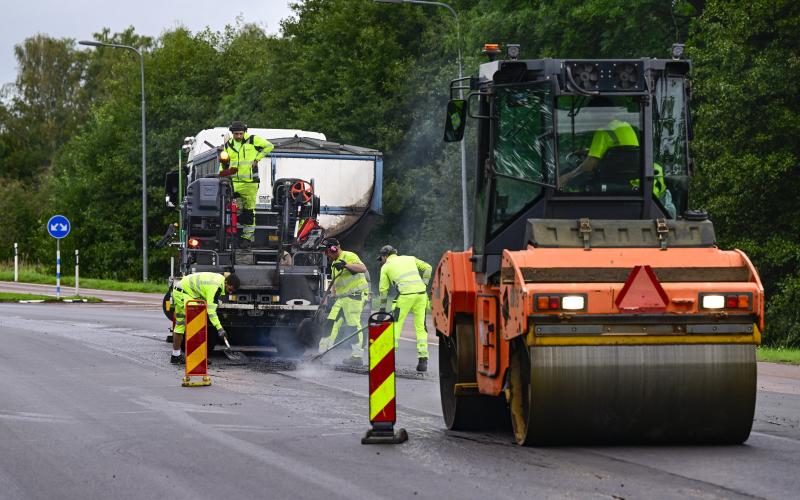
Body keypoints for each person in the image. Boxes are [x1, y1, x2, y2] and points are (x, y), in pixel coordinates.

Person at [560, 97, 676, 217]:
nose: (591, 117)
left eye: (592, 113)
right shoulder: (627, 127)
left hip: (606, 181)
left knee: (573, 174)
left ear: (601, 114)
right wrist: (590, 152)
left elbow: (590, 165)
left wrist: (567, 177)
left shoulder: (603, 132)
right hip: (627, 181)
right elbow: (622, 151)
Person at [219, 121, 274, 248]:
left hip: (250, 183)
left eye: (241, 133)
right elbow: (224, 163)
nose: (239, 136)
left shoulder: (253, 140)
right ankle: (229, 234)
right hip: (233, 182)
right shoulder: (228, 145)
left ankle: (247, 238)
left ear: (244, 132)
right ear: (232, 133)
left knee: (249, 211)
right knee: (229, 209)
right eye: (236, 134)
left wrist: (257, 158)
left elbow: (269, 146)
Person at [377, 245, 432, 372]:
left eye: (382, 258)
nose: (382, 261)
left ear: (385, 256)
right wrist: (424, 284)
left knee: (395, 325)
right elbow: (428, 267)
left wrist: (382, 309)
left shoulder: (386, 267)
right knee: (421, 327)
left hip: (405, 297)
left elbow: (383, 290)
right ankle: (423, 359)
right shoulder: (410, 258)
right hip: (421, 295)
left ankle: (389, 358)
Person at [318, 238, 369, 366]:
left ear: (333, 249)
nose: (326, 255)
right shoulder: (335, 263)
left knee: (353, 326)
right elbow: (337, 283)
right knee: (330, 323)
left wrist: (345, 264)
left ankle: (357, 357)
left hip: (354, 297)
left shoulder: (349, 256)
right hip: (342, 299)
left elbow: (362, 268)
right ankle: (323, 353)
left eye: (326, 252)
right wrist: (333, 296)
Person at [170, 272, 240, 364]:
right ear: (226, 283)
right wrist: (220, 329)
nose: (230, 292)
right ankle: (196, 358)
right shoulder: (216, 287)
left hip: (183, 292)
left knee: (180, 326)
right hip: (184, 294)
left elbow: (205, 292)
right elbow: (211, 311)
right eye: (230, 289)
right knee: (197, 324)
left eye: (232, 291)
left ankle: (175, 356)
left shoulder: (219, 280)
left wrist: (214, 301)